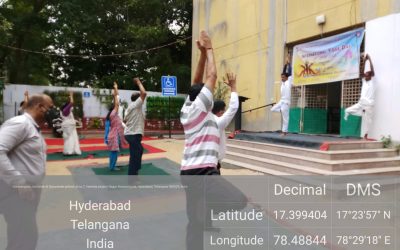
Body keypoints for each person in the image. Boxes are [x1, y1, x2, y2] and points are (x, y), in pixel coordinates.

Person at [180, 31, 247, 250]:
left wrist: (200, 55)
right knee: (239, 200)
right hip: (202, 173)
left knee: (196, 223)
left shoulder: (188, 108)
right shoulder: (200, 108)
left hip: (188, 174)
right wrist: (209, 49)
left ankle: (204, 211)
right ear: (203, 99)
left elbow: (196, 82)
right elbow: (211, 77)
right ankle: (208, 207)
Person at [0, 94, 53, 250]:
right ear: (39, 107)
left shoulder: (32, 127)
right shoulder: (20, 124)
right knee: (23, 240)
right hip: (16, 192)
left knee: (25, 236)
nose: (52, 112)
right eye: (50, 108)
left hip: (28, 191)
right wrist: (19, 183)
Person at [211, 72, 239, 172]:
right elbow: (233, 108)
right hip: (212, 165)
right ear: (221, 111)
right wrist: (233, 87)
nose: (224, 112)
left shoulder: (205, 119)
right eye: (223, 110)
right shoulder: (218, 122)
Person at [344, 53, 375, 140]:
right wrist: (365, 61)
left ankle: (366, 134)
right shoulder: (364, 81)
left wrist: (370, 60)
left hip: (369, 104)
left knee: (368, 121)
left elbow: (372, 71)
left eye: (367, 75)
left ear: (370, 76)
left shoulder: (372, 82)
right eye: (365, 75)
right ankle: (348, 113)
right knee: (348, 110)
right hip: (362, 102)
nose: (365, 76)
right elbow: (361, 72)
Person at [124, 77, 146, 175]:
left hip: (131, 134)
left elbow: (125, 120)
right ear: (138, 99)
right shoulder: (136, 105)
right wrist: (138, 82)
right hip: (133, 135)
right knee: (134, 157)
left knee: (139, 151)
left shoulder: (130, 107)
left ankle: (135, 171)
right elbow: (144, 93)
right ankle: (132, 179)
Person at [105, 82, 127, 171]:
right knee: (114, 152)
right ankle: (112, 167)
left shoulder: (111, 114)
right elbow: (117, 102)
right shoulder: (114, 113)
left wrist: (115, 89)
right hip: (114, 135)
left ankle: (112, 166)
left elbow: (116, 102)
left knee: (113, 152)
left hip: (113, 134)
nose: (119, 103)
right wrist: (115, 89)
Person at [271, 55, 292, 136]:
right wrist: (285, 65)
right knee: (272, 109)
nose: (282, 78)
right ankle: (281, 110)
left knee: (285, 119)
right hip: (281, 101)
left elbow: (289, 72)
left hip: (286, 102)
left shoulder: (289, 81)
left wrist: (289, 63)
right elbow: (284, 72)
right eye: (281, 77)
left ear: (287, 77)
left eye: (283, 77)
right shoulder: (283, 83)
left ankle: (284, 132)